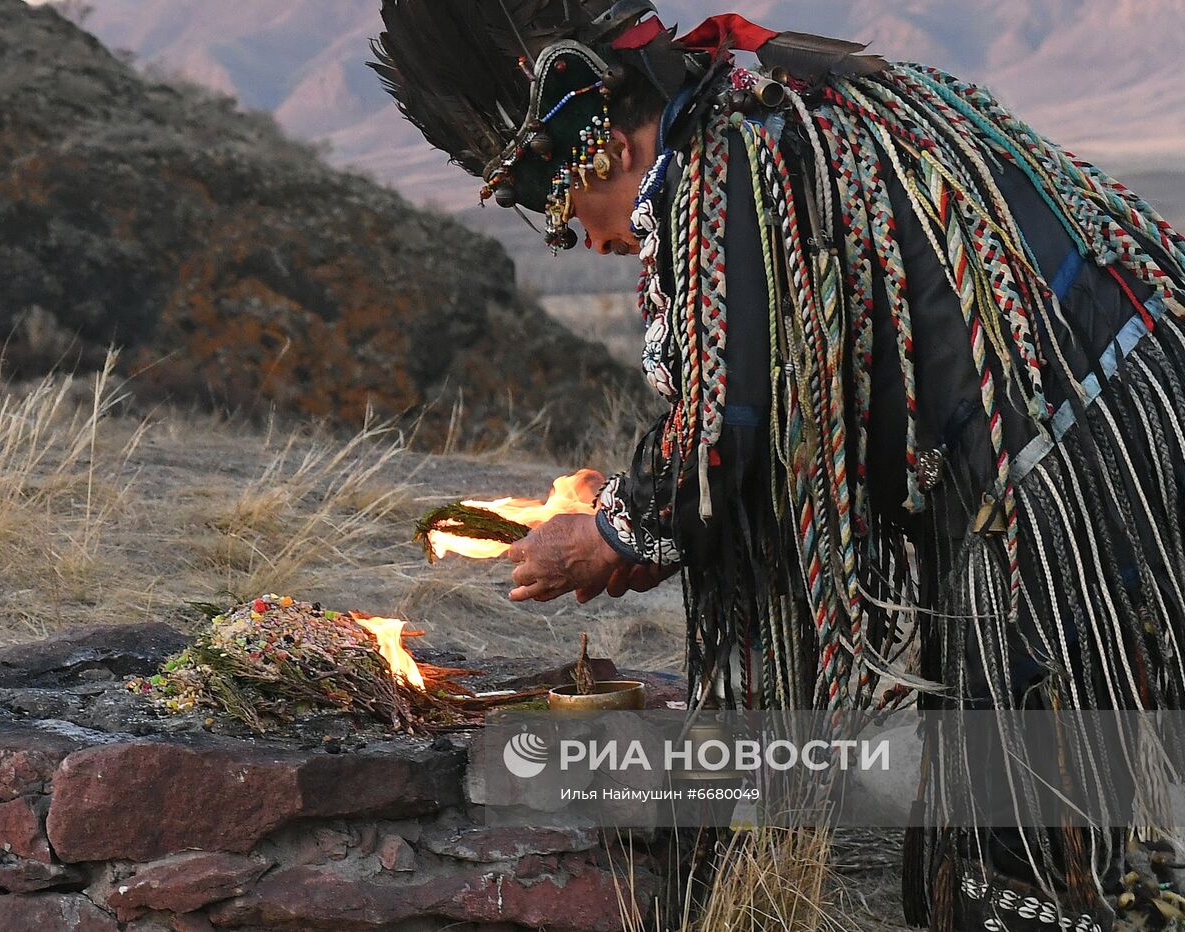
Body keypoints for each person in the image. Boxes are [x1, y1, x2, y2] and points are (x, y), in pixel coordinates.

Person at [374, 3, 1185, 930]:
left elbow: (730, 434)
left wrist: (615, 532)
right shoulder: (767, 116)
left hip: (1071, 490)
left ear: (599, 143)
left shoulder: (731, 164)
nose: (591, 242)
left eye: (559, 211)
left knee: (1043, 845)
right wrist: (637, 513)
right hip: (1109, 434)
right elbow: (794, 399)